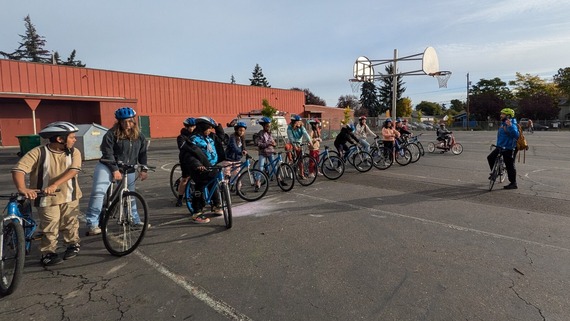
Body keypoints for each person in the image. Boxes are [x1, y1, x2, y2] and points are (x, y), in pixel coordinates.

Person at [12, 121, 82, 266]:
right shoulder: (39, 152)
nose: (75, 139)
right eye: (72, 137)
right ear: (60, 139)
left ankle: (72, 244)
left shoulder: (74, 152)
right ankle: (48, 252)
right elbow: (18, 170)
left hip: (70, 195)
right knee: (50, 226)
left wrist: (55, 184)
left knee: (70, 223)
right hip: (46, 199)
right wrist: (23, 189)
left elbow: (73, 171)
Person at [85, 107, 149, 236]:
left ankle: (133, 220)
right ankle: (92, 223)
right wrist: (114, 170)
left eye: (130, 121)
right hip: (107, 166)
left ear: (134, 121)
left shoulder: (139, 136)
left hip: (128, 167)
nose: (127, 124)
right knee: (98, 192)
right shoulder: (111, 134)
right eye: (124, 121)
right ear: (119, 122)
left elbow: (142, 153)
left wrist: (143, 168)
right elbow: (107, 152)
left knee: (130, 195)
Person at [179, 117, 222, 223]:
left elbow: (221, 139)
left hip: (212, 165)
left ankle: (216, 205)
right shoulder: (193, 139)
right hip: (199, 167)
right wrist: (197, 165)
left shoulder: (209, 137)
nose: (210, 130)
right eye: (208, 128)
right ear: (203, 127)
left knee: (214, 183)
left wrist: (218, 127)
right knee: (200, 185)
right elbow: (189, 155)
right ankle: (197, 212)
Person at [487, 108, 519, 190]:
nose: (501, 115)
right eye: (501, 114)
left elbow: (516, 135)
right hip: (500, 146)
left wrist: (510, 126)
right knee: (490, 157)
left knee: (510, 166)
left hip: (509, 148)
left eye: (503, 114)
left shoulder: (512, 124)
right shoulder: (503, 123)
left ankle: (513, 183)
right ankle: (496, 172)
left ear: (508, 116)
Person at [255, 116, 285, 187]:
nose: (268, 127)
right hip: (263, 152)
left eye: (269, 126)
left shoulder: (270, 133)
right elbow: (259, 144)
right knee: (260, 168)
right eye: (267, 126)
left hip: (270, 152)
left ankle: (279, 179)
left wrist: (274, 144)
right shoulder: (260, 133)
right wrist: (268, 143)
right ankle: (257, 182)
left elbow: (273, 142)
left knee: (274, 167)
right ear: (263, 126)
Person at [175, 117, 196, 207]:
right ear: (186, 127)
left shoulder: (197, 135)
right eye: (189, 127)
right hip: (185, 160)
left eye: (193, 126)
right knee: (185, 179)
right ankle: (180, 198)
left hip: (196, 159)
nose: (191, 128)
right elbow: (182, 146)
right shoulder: (181, 137)